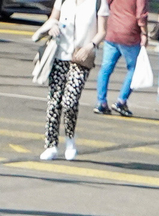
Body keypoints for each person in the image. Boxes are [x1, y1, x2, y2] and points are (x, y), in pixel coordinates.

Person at [33, 0, 105, 158]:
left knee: (70, 102)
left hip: (81, 57)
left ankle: (70, 139)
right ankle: (50, 145)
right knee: (54, 101)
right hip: (59, 53)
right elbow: (53, 18)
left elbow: (102, 32)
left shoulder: (98, 3)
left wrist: (90, 46)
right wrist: (52, 27)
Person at [94, 0, 147, 116]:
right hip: (129, 33)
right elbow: (141, 14)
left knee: (105, 69)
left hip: (112, 30)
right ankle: (121, 101)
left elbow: (105, 4)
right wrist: (144, 32)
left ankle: (101, 102)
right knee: (134, 68)